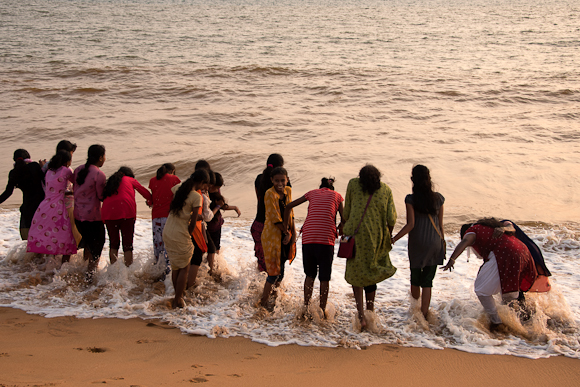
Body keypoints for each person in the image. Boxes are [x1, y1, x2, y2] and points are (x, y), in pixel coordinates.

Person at [442, 218, 538, 331]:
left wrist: (452, 259)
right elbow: (510, 225)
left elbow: (465, 242)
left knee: (481, 289)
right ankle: (520, 326)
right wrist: (503, 228)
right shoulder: (490, 228)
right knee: (509, 296)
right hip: (522, 252)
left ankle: (496, 321)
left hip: (504, 253)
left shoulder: (472, 231)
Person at [342, 165, 397, 330]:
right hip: (375, 237)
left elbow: (346, 214)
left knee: (357, 272)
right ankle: (370, 311)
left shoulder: (353, 184)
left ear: (360, 177)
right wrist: (388, 234)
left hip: (355, 236)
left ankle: (360, 316)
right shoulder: (385, 189)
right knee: (371, 272)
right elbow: (391, 218)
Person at [283, 177, 344, 316]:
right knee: (324, 278)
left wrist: (286, 229)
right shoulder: (337, 196)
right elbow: (344, 218)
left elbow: (288, 206)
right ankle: (322, 311)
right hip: (326, 240)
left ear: (320, 187)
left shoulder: (311, 193)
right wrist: (341, 226)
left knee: (309, 275)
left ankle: (306, 307)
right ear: (331, 189)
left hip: (308, 238)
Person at [392, 165, 445, 319]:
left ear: (413, 179)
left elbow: (411, 224)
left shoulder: (411, 199)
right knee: (428, 281)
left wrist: (394, 239)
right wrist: (442, 244)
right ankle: (424, 313)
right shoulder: (439, 198)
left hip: (418, 243)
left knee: (415, 277)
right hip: (435, 242)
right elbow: (441, 225)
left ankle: (415, 312)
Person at [162, 169, 209, 308]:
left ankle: (176, 296)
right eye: (204, 184)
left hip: (168, 230)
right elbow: (194, 222)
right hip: (180, 234)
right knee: (184, 268)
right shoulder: (196, 197)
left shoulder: (178, 188)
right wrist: (188, 234)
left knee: (176, 267)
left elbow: (178, 209)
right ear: (201, 182)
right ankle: (178, 299)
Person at [27, 151, 77, 263]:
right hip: (59, 207)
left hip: (44, 206)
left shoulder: (49, 171)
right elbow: (75, 184)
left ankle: (43, 265)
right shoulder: (66, 170)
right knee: (66, 238)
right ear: (67, 161)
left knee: (49, 235)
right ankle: (63, 267)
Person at [260, 167, 296, 308]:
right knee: (274, 272)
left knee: (281, 270)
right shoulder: (270, 194)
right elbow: (275, 217)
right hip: (273, 235)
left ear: (287, 179)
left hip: (285, 233)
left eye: (282, 180)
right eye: (276, 180)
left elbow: (291, 212)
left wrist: (291, 233)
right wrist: (286, 233)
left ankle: (274, 297)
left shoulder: (288, 191)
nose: (280, 183)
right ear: (271, 180)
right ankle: (263, 302)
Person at [101, 167, 152, 267]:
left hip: (108, 214)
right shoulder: (130, 179)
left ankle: (113, 270)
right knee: (127, 245)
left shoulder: (110, 182)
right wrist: (150, 202)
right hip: (126, 213)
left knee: (113, 243)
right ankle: (128, 270)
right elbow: (145, 193)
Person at [74, 145, 107, 281]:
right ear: (100, 157)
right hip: (92, 217)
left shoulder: (78, 169)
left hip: (78, 215)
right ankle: (90, 275)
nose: (105, 159)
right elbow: (101, 196)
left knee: (88, 242)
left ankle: (84, 268)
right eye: (104, 156)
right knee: (97, 245)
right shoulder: (99, 174)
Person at [251, 154, 286, 272]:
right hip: (273, 226)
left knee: (262, 259)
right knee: (274, 262)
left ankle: (259, 287)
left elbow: (259, 198)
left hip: (257, 225)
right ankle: (271, 288)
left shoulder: (259, 179)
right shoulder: (281, 183)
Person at [0, 149, 45, 240]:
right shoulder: (35, 166)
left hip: (27, 209)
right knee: (43, 235)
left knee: (28, 239)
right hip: (41, 206)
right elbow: (47, 181)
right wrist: (44, 167)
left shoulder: (14, 172)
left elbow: (8, 193)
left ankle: (32, 254)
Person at [149, 163, 181, 278]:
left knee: (158, 244)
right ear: (172, 171)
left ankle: (157, 270)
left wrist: (149, 202)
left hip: (156, 217)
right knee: (169, 244)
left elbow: (152, 199)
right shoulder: (174, 179)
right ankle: (168, 273)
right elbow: (180, 195)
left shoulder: (153, 180)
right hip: (169, 216)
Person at [206, 172, 241, 275]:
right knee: (212, 249)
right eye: (216, 187)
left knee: (215, 248)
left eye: (219, 188)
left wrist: (234, 207)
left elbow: (223, 205)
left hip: (216, 224)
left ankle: (213, 269)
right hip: (210, 224)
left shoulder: (211, 192)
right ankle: (211, 271)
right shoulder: (205, 194)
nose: (217, 190)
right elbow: (220, 206)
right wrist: (219, 206)